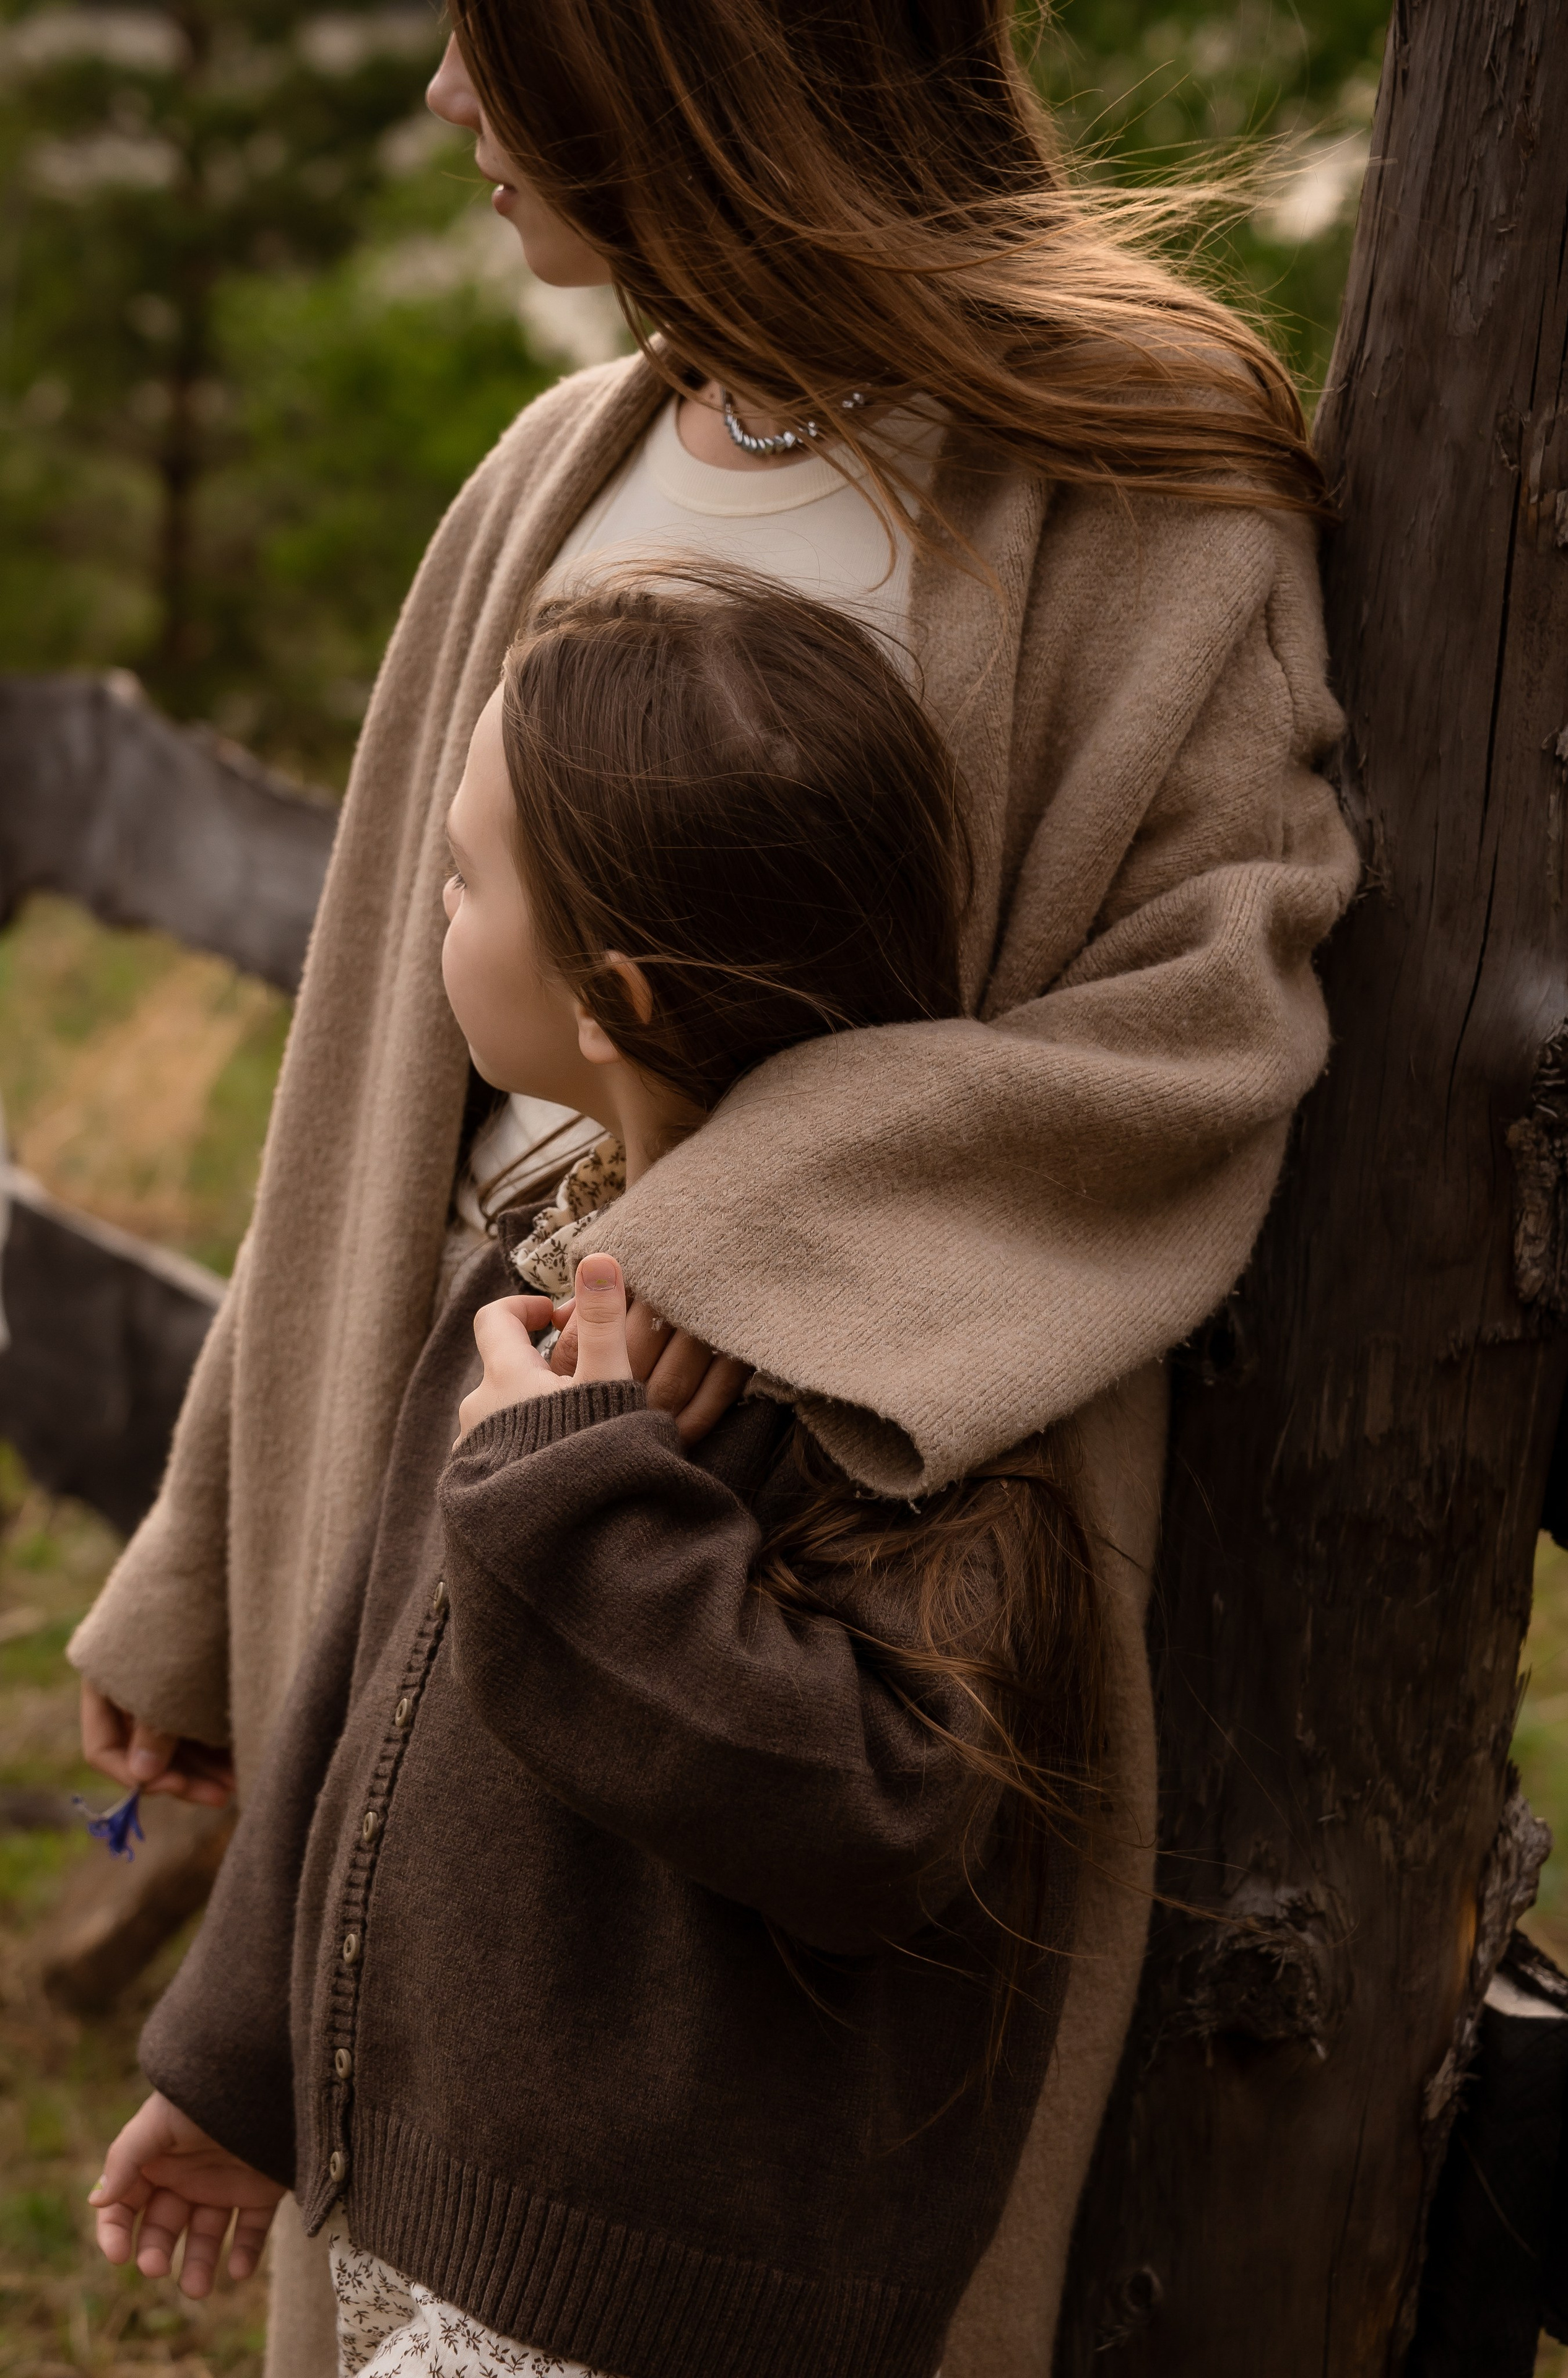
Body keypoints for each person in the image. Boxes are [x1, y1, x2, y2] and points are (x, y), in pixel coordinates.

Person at [69, 4, 1360, 2369]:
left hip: (814, 1587)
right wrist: (206, 1583)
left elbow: (1204, 1018)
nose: (448, 97)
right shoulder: (549, 474)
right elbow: (362, 1081)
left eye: (494, 34)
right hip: (457, 1484)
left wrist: (710, 1254)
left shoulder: (1137, 489)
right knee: (413, 2205)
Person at [89, 568, 1114, 2378]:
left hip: (652, 2309)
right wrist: (240, 2065)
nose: (435, 901)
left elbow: (885, 1815)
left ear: (610, 998)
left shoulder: (894, 1352)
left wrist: (569, 1496)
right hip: (437, 2229)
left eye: (466, 876)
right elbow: (366, 1695)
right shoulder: (542, 1269)